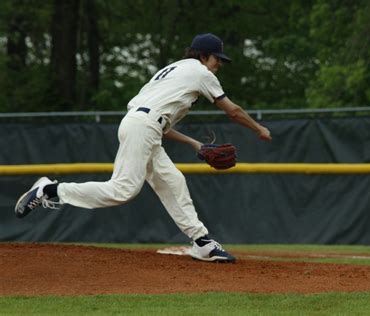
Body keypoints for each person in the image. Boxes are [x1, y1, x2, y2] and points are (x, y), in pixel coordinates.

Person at [14, 33, 272, 263]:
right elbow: (232, 111)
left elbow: (158, 124)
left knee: (172, 181)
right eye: (217, 59)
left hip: (140, 124)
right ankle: (49, 189)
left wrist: (194, 143)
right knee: (123, 189)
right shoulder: (201, 72)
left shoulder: (172, 71)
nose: (219, 66)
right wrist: (258, 128)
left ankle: (202, 243)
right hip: (144, 126)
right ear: (204, 56)